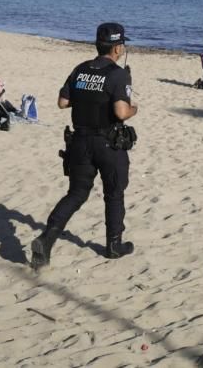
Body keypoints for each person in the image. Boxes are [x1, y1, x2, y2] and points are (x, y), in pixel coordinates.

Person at [31, 22, 138, 270]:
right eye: (121, 45)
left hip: (79, 141)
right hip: (108, 144)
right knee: (114, 193)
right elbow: (121, 112)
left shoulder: (80, 69)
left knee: (76, 194)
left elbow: (63, 102)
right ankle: (114, 245)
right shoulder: (117, 74)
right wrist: (135, 108)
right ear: (117, 48)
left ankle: (46, 240)